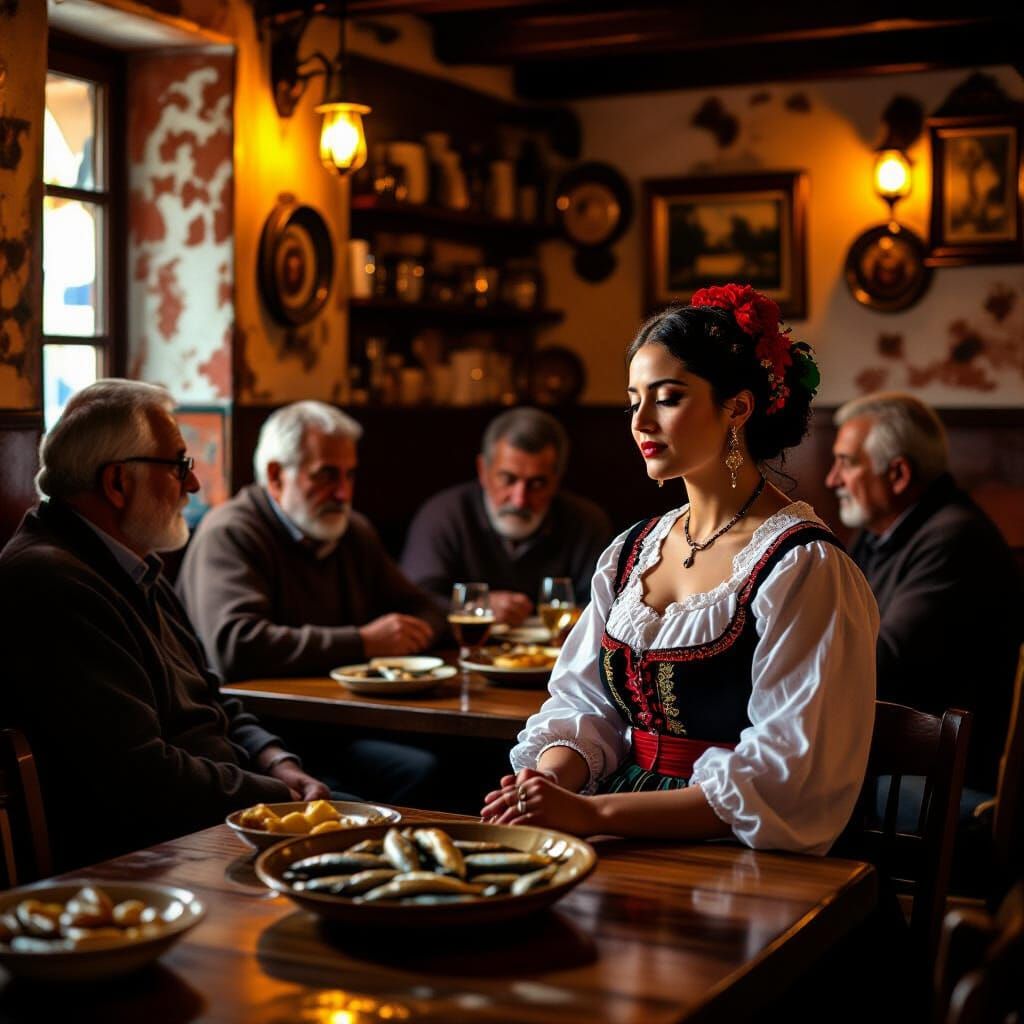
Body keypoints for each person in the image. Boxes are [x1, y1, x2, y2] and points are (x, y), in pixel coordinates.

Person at [481, 284, 879, 855]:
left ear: (737, 408)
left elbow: (784, 779)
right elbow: (585, 707)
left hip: (736, 846)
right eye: (633, 400)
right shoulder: (630, 552)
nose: (641, 421)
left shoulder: (804, 568)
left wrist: (592, 812)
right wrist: (546, 784)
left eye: (667, 397)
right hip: (611, 823)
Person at [0, 380, 329, 871]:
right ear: (117, 482)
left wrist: (277, 761)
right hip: (148, 856)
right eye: (179, 466)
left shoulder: (131, 561)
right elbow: (140, 778)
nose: (193, 485)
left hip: (216, 817)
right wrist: (278, 796)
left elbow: (211, 698)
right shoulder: (50, 580)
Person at [178, 400, 444, 804]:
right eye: (326, 475)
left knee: (434, 771)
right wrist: (364, 642)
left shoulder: (352, 531)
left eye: (350, 475)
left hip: (338, 728)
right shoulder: (231, 533)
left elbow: (422, 607)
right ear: (275, 475)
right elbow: (237, 645)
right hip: (256, 740)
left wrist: (411, 633)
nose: (343, 492)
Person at [826, 391, 1022, 794]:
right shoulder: (879, 531)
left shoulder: (955, 539)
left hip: (950, 772)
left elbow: (884, 664)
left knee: (804, 791)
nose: (832, 480)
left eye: (846, 463)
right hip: (892, 749)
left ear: (897, 474)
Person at [401, 407, 611, 626]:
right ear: (483, 470)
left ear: (556, 480)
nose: (520, 500)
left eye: (537, 484)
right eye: (508, 479)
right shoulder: (443, 516)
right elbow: (416, 602)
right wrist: (476, 607)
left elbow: (602, 607)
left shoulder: (587, 522)